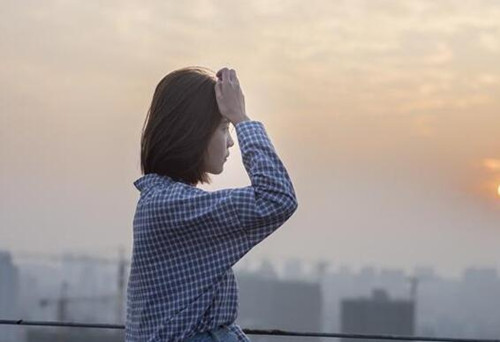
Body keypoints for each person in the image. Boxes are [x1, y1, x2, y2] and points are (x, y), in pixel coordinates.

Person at [125, 66, 298, 342]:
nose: (230, 141)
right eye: (223, 128)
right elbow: (277, 197)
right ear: (191, 133)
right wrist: (241, 118)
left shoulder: (163, 201)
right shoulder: (171, 205)